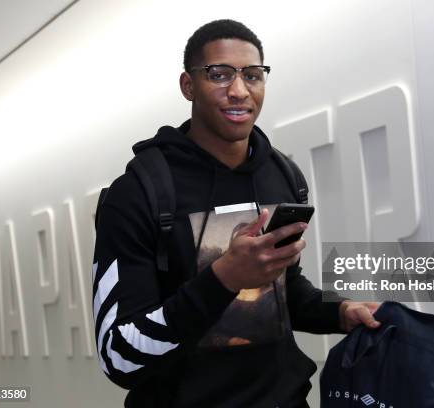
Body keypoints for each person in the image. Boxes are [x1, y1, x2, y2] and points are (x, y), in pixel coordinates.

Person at [92, 19, 381, 408]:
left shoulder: (281, 175)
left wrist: (340, 312)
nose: (239, 91)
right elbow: (119, 356)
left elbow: (284, 291)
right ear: (188, 85)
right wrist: (224, 277)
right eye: (219, 74)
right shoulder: (138, 193)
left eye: (253, 75)